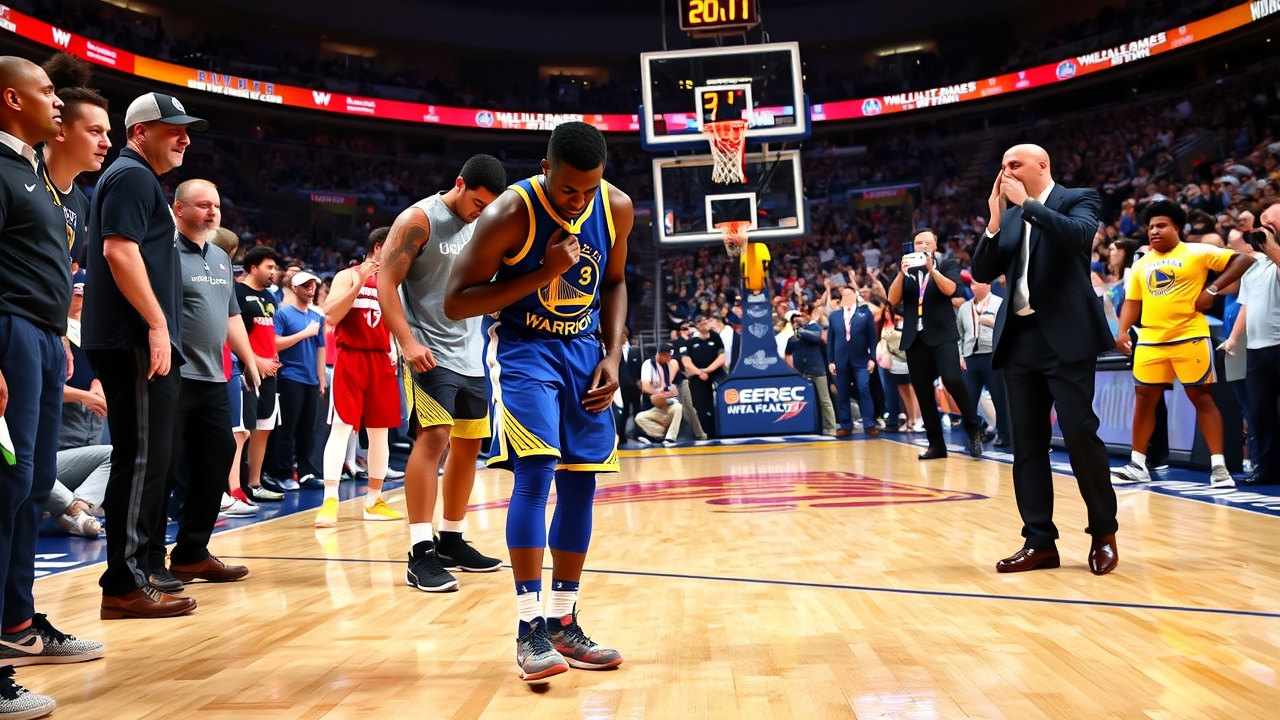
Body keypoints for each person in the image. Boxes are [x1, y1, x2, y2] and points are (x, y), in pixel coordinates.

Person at [444, 122, 630, 682]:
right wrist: (547, 272)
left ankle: (563, 622)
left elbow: (615, 283)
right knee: (537, 473)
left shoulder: (616, 207)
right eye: (568, 189)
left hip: (585, 352)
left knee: (581, 481)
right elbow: (458, 302)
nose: (579, 201)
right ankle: (529, 629)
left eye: (589, 189)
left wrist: (613, 355)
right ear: (545, 169)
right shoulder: (510, 212)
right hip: (524, 350)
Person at [0, 58, 101, 708]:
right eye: (46, 93)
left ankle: (16, 625)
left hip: (38, 335)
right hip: (8, 333)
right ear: (12, 100)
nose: (57, 103)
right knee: (5, 484)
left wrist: (57, 334)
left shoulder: (38, 178)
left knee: (32, 486)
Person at [83, 91, 207, 619]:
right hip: (133, 338)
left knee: (151, 459)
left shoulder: (137, 178)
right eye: (173, 128)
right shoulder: (132, 176)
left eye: (187, 130)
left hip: (138, 339)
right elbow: (118, 250)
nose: (185, 138)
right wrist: (158, 325)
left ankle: (144, 571)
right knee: (139, 460)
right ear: (139, 132)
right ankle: (124, 583)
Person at [971, 143, 1119, 575]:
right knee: (1027, 445)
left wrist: (1028, 205)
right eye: (1003, 165)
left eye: (1014, 164)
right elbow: (982, 272)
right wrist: (995, 219)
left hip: (1065, 336)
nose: (1006, 172)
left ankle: (1103, 532)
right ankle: (1039, 542)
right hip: (1019, 339)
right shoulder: (1009, 215)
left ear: (1041, 165)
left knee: (1079, 434)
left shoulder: (1077, 198)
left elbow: (1078, 237)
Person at [378, 155, 507, 589]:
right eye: (477, 202)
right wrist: (407, 342)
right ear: (459, 183)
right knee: (434, 438)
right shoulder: (418, 220)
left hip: (472, 353)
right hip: (427, 352)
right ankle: (420, 552)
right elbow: (385, 283)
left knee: (469, 445)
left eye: (489, 207)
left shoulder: (484, 224)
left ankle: (452, 538)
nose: (480, 212)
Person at [142, 179, 255, 593]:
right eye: (203, 205)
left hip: (212, 378)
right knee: (162, 468)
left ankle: (191, 552)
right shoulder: (162, 250)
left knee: (218, 457)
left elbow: (231, 316)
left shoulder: (221, 258)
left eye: (217, 206)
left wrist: (249, 358)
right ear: (178, 208)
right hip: (172, 374)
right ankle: (150, 560)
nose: (212, 212)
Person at [1112, 200, 1253, 488]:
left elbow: (1243, 260)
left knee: (1201, 398)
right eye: (1151, 227)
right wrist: (1122, 331)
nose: (1154, 231)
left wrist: (1212, 288)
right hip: (1150, 339)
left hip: (1189, 336)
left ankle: (1219, 468)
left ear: (1177, 228)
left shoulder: (1197, 251)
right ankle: (1138, 464)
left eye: (1161, 226)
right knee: (1144, 401)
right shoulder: (1141, 264)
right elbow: (1132, 301)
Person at [314, 229, 406, 528]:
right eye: (395, 246)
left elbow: (393, 321)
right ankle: (330, 500)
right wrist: (359, 282)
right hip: (351, 357)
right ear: (379, 246)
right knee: (341, 428)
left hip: (381, 360)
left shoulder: (393, 281)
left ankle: (374, 500)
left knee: (380, 433)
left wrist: (395, 347)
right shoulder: (347, 275)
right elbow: (331, 315)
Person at [888, 229, 983, 458]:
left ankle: (973, 427)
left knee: (952, 380)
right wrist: (901, 273)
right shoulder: (907, 268)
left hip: (942, 335)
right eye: (917, 243)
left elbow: (951, 290)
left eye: (926, 243)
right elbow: (892, 299)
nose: (921, 246)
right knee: (923, 391)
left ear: (935, 245)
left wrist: (932, 269)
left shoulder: (947, 264)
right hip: (915, 338)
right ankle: (936, 445)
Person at [1222, 210, 1280, 486]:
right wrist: (1233, 339)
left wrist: (1271, 248)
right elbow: (1246, 305)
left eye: (1271, 222)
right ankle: (1268, 468)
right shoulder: (1252, 266)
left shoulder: (1274, 260)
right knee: (1260, 412)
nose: (1265, 227)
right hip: (1256, 349)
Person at [235, 246, 285, 503]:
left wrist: (273, 358)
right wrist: (255, 361)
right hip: (246, 371)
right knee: (242, 431)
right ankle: (234, 486)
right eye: (269, 267)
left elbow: (268, 333)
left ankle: (254, 483)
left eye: (275, 267)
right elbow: (233, 335)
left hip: (270, 373)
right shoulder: (238, 293)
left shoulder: (270, 297)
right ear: (253, 268)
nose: (274, 272)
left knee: (264, 428)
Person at [268, 270, 326, 488]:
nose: (310, 290)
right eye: (306, 286)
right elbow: (275, 343)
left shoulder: (317, 317)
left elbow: (321, 348)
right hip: (290, 376)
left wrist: (321, 379)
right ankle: (283, 472)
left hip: (310, 379)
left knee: (307, 429)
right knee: (287, 427)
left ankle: (305, 471)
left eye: (313, 286)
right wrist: (304, 333)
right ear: (295, 288)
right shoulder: (283, 314)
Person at [956, 279, 1010, 447]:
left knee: (999, 399)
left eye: (976, 283)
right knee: (968, 400)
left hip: (992, 356)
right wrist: (960, 356)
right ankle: (973, 436)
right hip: (970, 357)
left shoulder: (999, 303)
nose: (973, 287)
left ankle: (1004, 435)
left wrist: (992, 324)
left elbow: (1007, 328)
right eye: (971, 284)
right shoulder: (965, 308)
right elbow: (959, 334)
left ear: (987, 284)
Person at [825, 288, 878, 437]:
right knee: (843, 393)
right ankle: (845, 425)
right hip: (840, 360)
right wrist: (831, 361)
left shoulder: (864, 314)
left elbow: (872, 339)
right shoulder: (834, 316)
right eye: (844, 295)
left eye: (849, 294)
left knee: (864, 389)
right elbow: (831, 340)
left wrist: (872, 358)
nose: (847, 297)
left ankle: (869, 424)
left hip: (861, 360)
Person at [785, 310, 837, 435]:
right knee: (805, 402)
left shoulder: (813, 329)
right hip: (802, 373)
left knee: (824, 400)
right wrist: (793, 370)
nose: (797, 321)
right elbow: (788, 354)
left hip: (817, 370)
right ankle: (809, 427)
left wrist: (801, 330)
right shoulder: (792, 339)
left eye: (799, 318)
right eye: (794, 321)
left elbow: (816, 337)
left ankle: (831, 428)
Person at [635, 344, 683, 444]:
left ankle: (670, 437)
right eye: (667, 356)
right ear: (660, 355)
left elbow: (671, 387)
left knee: (678, 407)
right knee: (639, 418)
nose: (669, 358)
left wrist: (669, 394)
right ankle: (660, 434)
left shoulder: (668, 366)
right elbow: (645, 388)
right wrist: (659, 393)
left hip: (667, 404)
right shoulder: (648, 364)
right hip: (653, 406)